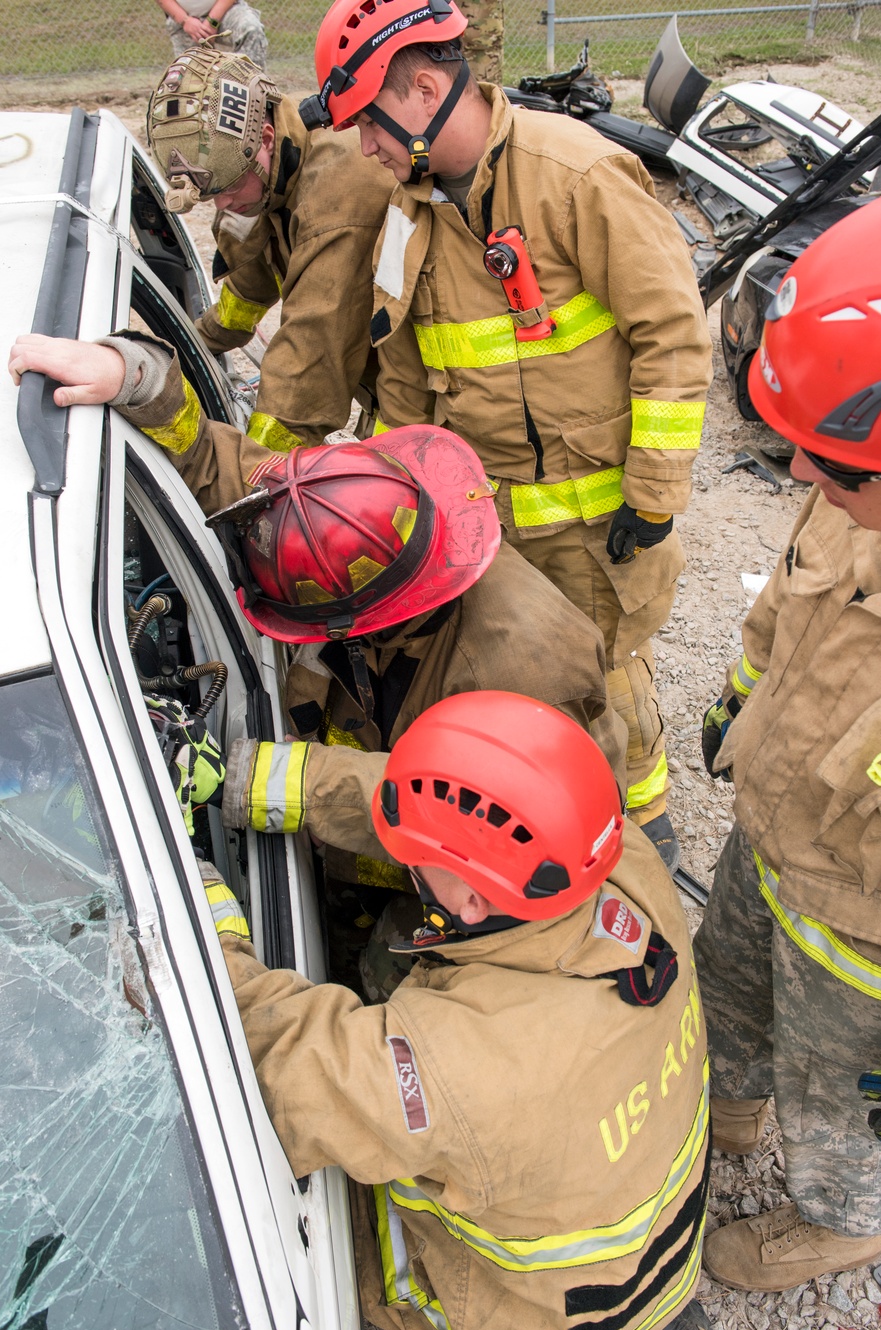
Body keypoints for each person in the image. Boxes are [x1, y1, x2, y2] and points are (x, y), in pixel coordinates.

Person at [6, 331, 629, 992]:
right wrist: (128, 374)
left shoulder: (525, 672)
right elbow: (216, 461)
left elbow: (480, 828)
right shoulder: (348, 514)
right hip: (363, 862)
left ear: (364, 621)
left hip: (462, 897)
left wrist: (251, 778)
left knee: (387, 970)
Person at [300, 0, 713, 868]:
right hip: (490, 529)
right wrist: (409, 499)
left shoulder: (574, 176)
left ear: (421, 88)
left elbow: (671, 332)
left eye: (368, 125)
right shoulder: (410, 210)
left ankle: (645, 842)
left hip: (598, 524)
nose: (363, 149)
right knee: (524, 684)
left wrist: (656, 492)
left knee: (609, 677)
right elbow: (405, 367)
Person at [215, 689, 711, 1330]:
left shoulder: (450, 1064)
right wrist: (258, 781)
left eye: (421, 862)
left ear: (472, 902)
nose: (408, 862)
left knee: (354, 1211)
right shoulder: (623, 858)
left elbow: (287, 1066)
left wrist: (213, 934)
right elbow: (449, 808)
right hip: (667, 1253)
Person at [696, 177, 881, 1291]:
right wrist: (737, 698)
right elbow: (781, 607)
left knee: (845, 1102)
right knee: (730, 988)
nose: (798, 477)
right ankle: (729, 1112)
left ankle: (844, 1221)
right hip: (772, 841)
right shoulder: (862, 481)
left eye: (833, 466)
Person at [146, 46, 394, 451]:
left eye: (225, 190)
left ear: (264, 139)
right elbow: (250, 281)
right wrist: (191, 348)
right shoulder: (269, 166)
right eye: (210, 196)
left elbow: (310, 364)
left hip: (432, 399)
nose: (222, 205)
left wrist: (253, 472)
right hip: (384, 387)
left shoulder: (337, 201)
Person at [152, 0, 268, 69]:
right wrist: (185, 20)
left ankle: (255, 93)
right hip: (184, 21)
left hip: (228, 10)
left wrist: (212, 21)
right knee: (187, 81)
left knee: (251, 29)